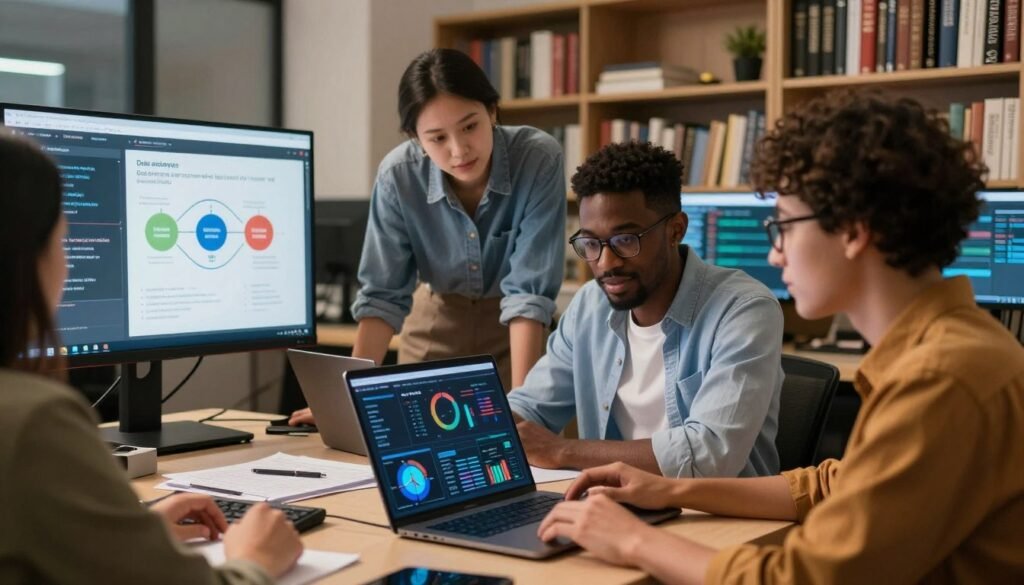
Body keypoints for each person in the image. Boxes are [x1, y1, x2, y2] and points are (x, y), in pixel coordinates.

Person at [536, 90, 1024, 583]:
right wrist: (668, 490)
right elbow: (833, 485)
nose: (775, 254)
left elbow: (805, 578)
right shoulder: (944, 351)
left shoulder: (942, 379)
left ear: (853, 230)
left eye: (784, 226)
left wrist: (634, 540)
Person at [0, 133, 303, 584]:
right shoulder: (32, 420)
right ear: (25, 258)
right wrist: (253, 560)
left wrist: (120, 536)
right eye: (62, 241)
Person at [289, 49, 565, 426]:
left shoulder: (538, 158)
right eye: (437, 138)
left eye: (470, 126)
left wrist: (525, 409)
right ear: (415, 138)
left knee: (523, 453)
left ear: (493, 111)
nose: (458, 150)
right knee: (414, 448)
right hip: (435, 321)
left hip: (517, 337)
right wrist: (346, 400)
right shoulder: (398, 175)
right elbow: (382, 296)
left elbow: (528, 298)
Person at [507, 141, 784, 478]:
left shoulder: (744, 310)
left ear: (676, 230)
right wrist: (481, 430)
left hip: (718, 518)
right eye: (591, 243)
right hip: (613, 510)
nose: (606, 263)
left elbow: (711, 453)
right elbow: (530, 408)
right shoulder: (588, 307)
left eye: (626, 240)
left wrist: (562, 450)